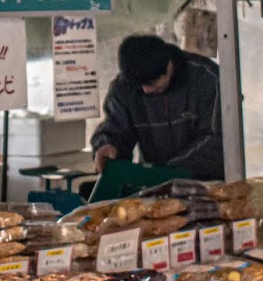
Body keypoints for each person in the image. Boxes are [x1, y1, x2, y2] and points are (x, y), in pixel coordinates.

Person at [91, 35, 223, 180]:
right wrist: (108, 145)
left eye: (152, 83)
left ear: (168, 65)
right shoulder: (125, 87)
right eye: (140, 86)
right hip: (154, 185)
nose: (146, 90)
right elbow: (115, 127)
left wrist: (167, 172)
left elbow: (216, 139)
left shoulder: (207, 79)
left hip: (207, 184)